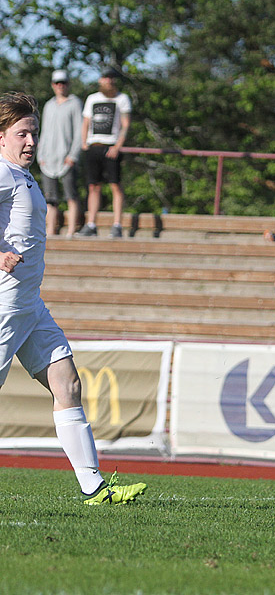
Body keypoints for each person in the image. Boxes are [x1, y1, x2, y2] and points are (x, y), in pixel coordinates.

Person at [0, 91, 146, 504]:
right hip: (5, 303)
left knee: (68, 382)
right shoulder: (3, 173)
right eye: (23, 133)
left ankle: (94, 486)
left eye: (34, 133)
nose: (31, 141)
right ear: (1, 137)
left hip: (30, 304)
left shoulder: (22, 176)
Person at [77, 67, 131, 238]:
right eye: (105, 77)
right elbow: (86, 122)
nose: (108, 81)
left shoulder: (122, 99)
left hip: (112, 146)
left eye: (111, 78)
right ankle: (91, 223)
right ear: (100, 80)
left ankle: (117, 225)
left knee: (115, 185)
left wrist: (118, 146)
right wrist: (84, 143)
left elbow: (125, 124)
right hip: (94, 145)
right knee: (93, 186)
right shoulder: (92, 99)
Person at [37, 69, 82, 238]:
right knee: (50, 198)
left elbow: (79, 132)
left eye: (63, 82)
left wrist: (73, 155)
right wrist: (40, 155)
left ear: (68, 84)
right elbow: (44, 132)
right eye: (57, 83)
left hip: (67, 158)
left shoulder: (75, 103)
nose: (60, 86)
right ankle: (51, 231)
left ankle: (71, 231)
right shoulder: (49, 105)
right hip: (48, 159)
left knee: (71, 195)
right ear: (52, 85)